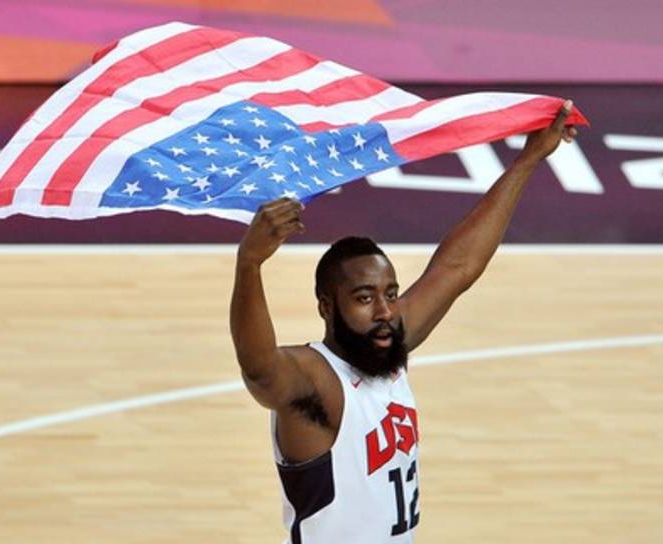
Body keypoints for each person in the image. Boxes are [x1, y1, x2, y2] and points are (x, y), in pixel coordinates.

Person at [230, 100, 579, 543]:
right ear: (326, 307)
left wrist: (528, 159)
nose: (384, 311)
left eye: (390, 294)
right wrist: (250, 264)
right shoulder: (315, 382)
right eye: (364, 298)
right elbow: (260, 370)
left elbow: (457, 267)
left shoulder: (386, 346)